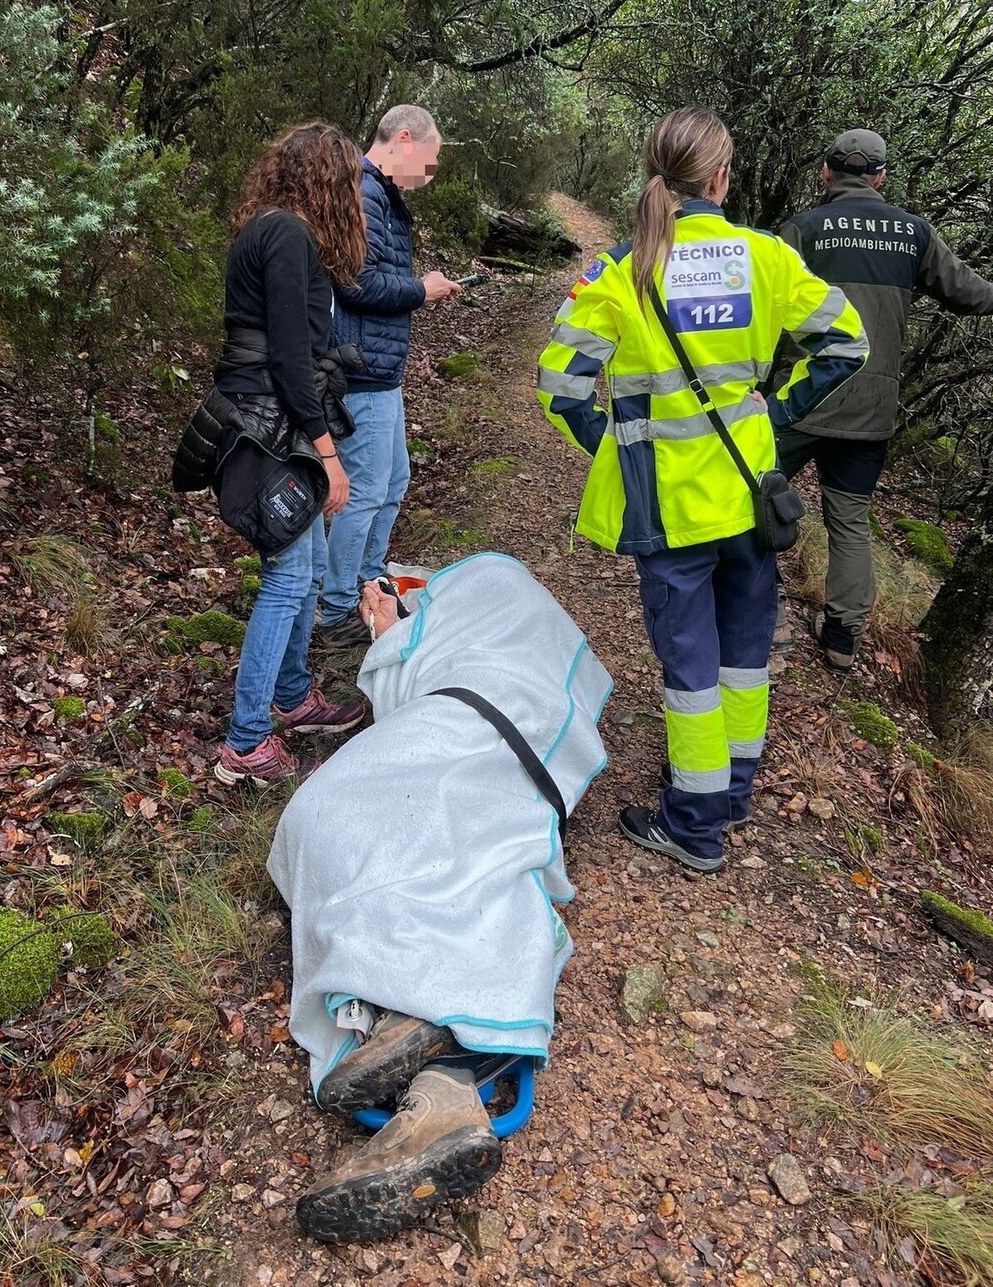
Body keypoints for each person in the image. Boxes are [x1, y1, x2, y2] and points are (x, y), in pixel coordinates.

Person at [537, 106, 868, 875]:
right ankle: (734, 790)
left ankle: (693, 822)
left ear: (656, 175)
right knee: (746, 652)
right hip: (752, 493)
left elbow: (560, 383)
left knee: (690, 666)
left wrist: (615, 446)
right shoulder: (767, 257)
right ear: (722, 177)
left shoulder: (621, 270)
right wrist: (775, 418)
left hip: (668, 508)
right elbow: (846, 343)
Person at [267, 554, 612, 1241]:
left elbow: (417, 665)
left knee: (351, 819)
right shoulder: (438, 607)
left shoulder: (481, 583)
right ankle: (440, 1086)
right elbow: (406, 692)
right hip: (477, 716)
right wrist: (391, 629)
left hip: (496, 711)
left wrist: (391, 624)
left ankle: (408, 1021)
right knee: (407, 838)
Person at [774, 129, 993, 671]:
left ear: (825, 172)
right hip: (872, 408)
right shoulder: (914, 235)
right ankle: (842, 639)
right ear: (881, 177)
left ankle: (760, 610)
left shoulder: (801, 230)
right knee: (849, 520)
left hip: (802, 399)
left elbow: (764, 312)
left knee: (751, 492)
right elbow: (971, 294)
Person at [200, 122, 370, 784]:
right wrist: (329, 458)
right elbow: (292, 361)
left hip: (266, 419)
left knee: (311, 558)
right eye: (350, 179)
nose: (355, 192)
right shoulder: (288, 236)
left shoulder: (270, 228)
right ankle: (244, 744)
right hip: (266, 427)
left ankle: (295, 696)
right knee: (291, 575)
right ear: (327, 179)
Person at [317, 105, 462, 648]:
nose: (431, 171)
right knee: (365, 491)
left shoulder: (381, 194)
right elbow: (356, 281)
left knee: (393, 482)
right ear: (404, 138)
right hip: (361, 369)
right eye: (430, 156)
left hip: (381, 367)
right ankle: (336, 611)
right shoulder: (363, 190)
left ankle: (367, 581)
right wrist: (421, 289)